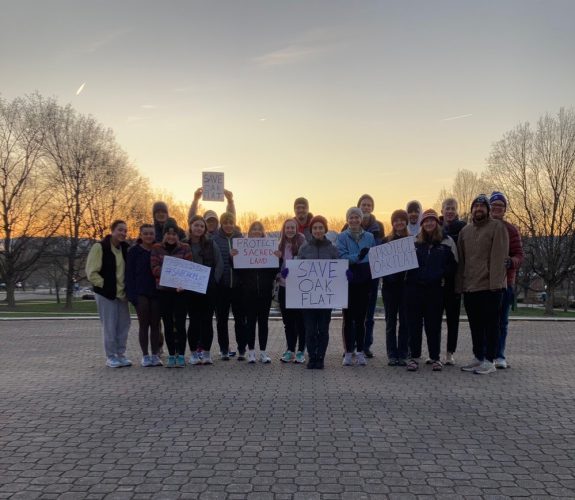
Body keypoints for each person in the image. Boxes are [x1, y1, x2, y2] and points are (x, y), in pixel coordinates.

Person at [456, 195, 509, 375]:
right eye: (475, 206)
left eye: (481, 206)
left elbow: (499, 257)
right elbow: (461, 261)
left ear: (487, 209)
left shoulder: (497, 227)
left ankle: (489, 360)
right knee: (475, 325)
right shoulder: (465, 232)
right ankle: (478, 357)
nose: (478, 209)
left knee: (491, 325)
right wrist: (460, 284)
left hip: (490, 287)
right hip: (471, 287)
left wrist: (496, 284)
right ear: (471, 210)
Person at [405, 209, 457, 372]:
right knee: (414, 325)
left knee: (433, 325)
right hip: (414, 289)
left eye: (432, 220)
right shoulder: (413, 241)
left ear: (437, 222)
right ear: (422, 224)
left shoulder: (447, 242)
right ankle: (414, 357)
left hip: (435, 290)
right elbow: (403, 264)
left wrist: (441, 274)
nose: (429, 223)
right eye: (426, 221)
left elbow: (454, 264)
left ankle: (435, 357)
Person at [86, 220, 131, 368]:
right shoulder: (100, 247)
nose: (123, 233)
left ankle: (121, 354)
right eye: (120, 230)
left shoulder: (125, 248)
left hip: (122, 294)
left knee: (124, 325)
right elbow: (91, 272)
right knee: (110, 326)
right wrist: (106, 286)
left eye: (125, 230)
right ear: (112, 230)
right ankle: (111, 356)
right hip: (106, 295)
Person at [296, 215, 339, 369]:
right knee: (310, 330)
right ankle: (312, 357)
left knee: (323, 329)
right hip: (308, 299)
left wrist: (345, 273)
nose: (318, 230)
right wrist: (287, 271)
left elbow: (338, 269)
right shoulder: (304, 248)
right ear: (311, 230)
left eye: (321, 227)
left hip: (325, 298)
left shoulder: (332, 248)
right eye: (315, 228)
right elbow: (297, 268)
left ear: (325, 229)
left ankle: (320, 357)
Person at [151, 218, 193, 368]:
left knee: (180, 325)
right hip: (164, 292)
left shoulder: (185, 248)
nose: (171, 236)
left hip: (181, 292)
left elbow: (188, 268)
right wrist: (170, 274)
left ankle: (181, 355)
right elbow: (154, 268)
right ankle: (171, 354)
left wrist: (181, 280)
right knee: (168, 325)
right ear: (164, 235)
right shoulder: (156, 248)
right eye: (168, 233)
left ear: (177, 235)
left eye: (174, 233)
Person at [336, 207, 376, 366]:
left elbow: (373, 257)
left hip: (364, 279)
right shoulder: (342, 237)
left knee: (361, 318)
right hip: (349, 279)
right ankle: (347, 352)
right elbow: (342, 256)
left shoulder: (370, 237)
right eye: (351, 217)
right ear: (347, 219)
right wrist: (358, 256)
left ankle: (360, 351)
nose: (354, 220)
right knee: (348, 317)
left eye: (356, 217)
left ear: (361, 219)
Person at [489, 191, 523, 369]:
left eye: (500, 206)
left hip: (505, 282)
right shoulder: (481, 227)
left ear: (504, 209)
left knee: (502, 321)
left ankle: (499, 355)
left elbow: (519, 255)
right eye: (493, 206)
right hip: (484, 283)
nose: (496, 209)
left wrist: (512, 262)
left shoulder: (511, 230)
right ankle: (485, 354)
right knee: (486, 321)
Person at [237, 221, 278, 364]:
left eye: (259, 229)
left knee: (263, 323)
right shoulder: (243, 249)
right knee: (250, 323)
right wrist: (233, 258)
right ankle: (251, 352)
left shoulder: (269, 248)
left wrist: (278, 258)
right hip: (248, 293)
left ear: (262, 232)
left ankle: (263, 352)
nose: (256, 231)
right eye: (253, 229)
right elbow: (238, 271)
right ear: (249, 231)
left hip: (265, 293)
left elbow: (274, 272)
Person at [185, 215, 223, 366]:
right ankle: (194, 353)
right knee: (194, 322)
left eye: (202, 226)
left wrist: (214, 281)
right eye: (196, 225)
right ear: (190, 226)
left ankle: (207, 353)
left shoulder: (210, 244)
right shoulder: (183, 244)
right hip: (189, 290)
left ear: (205, 229)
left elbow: (219, 264)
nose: (199, 228)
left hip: (208, 289)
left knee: (207, 321)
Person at [125, 224, 163, 367]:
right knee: (144, 325)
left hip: (156, 292)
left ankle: (155, 354)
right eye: (145, 233)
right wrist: (132, 295)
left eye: (151, 233)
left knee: (155, 325)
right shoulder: (133, 251)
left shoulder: (158, 250)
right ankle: (145, 355)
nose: (148, 236)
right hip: (140, 293)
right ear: (140, 235)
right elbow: (129, 274)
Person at [213, 212, 247, 360]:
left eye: (231, 223)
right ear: (221, 224)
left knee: (240, 320)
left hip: (239, 286)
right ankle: (224, 349)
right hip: (222, 286)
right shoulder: (214, 239)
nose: (228, 225)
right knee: (222, 320)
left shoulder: (240, 239)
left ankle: (242, 349)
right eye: (225, 223)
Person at [439, 197, 467, 365]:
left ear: (456, 211)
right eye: (446, 208)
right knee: (434, 319)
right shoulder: (435, 227)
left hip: (454, 280)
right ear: (442, 210)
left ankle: (450, 353)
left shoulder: (463, 228)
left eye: (452, 208)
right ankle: (433, 352)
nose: (449, 211)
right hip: (437, 282)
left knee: (453, 319)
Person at [381, 210, 410, 366]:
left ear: (405, 222)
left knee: (405, 322)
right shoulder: (386, 241)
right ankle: (392, 354)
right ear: (392, 223)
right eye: (396, 220)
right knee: (390, 322)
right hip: (390, 288)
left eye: (401, 220)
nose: (399, 223)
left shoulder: (412, 241)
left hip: (406, 288)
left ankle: (403, 353)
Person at [277, 218, 307, 363]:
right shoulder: (279, 245)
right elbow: (274, 266)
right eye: (287, 227)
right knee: (288, 322)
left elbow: (307, 264)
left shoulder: (302, 243)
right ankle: (290, 350)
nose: (289, 230)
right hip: (284, 287)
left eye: (292, 227)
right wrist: (279, 274)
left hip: (299, 288)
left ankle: (301, 351)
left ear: (296, 229)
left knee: (300, 321)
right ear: (284, 229)